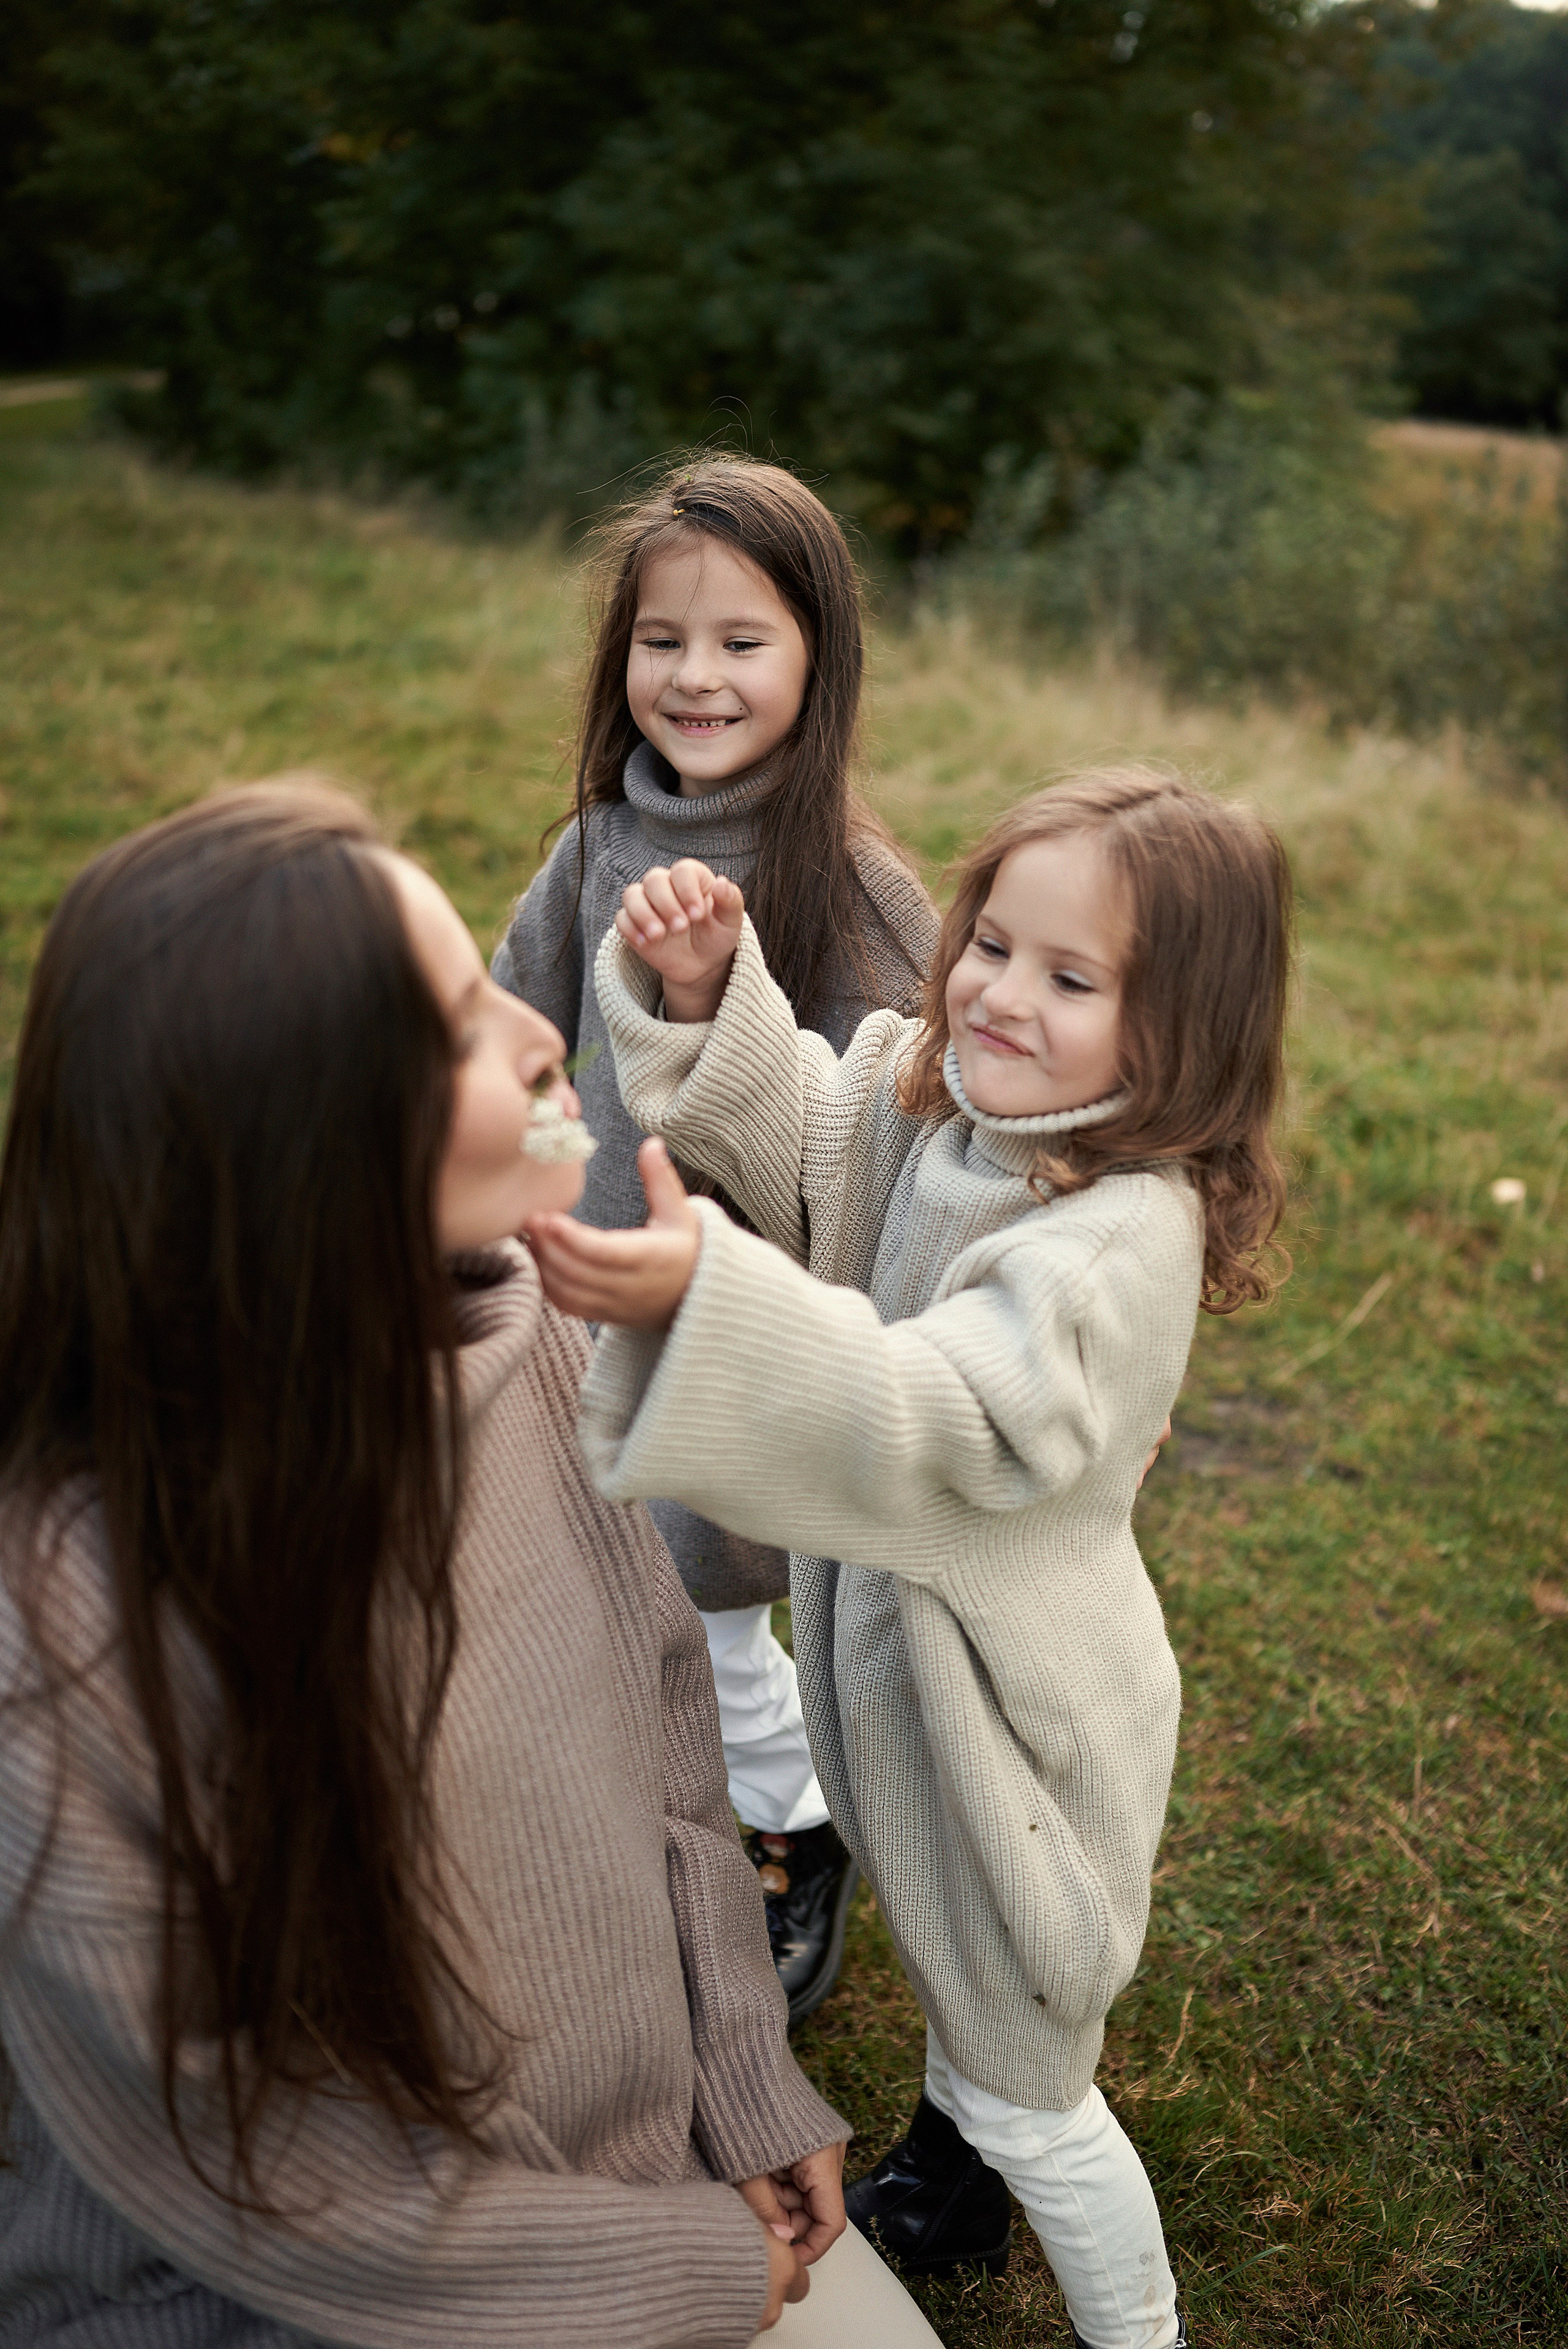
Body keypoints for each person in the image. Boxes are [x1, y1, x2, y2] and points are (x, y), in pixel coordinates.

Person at [0, 783, 946, 2349]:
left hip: (654, 2180)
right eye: (451, 1028)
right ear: (289, 1136)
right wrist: (678, 2268)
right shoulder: (59, 1633)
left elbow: (667, 1732)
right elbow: (261, 2182)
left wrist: (741, 2075)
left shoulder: (532, 1340)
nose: (532, 1033)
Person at [526, 767, 1295, 2349]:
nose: (1000, 995)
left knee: (1030, 2083)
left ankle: (1135, 2322)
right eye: (991, 943)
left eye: (1071, 979)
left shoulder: (1109, 1245)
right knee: (961, 1973)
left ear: (1182, 1033)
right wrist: (705, 993)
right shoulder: (955, 1103)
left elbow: (937, 1409)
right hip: (905, 1659)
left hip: (1010, 1718)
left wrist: (708, 1305)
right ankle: (949, 2191)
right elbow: (818, 1131)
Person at [492, 454, 939, 2021]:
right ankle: (639, 1806)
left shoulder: (848, 882)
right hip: (586, 1296)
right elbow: (513, 1023)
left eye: (741, 641)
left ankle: (793, 1826)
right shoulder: (597, 843)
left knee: (711, 1607)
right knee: (589, 1568)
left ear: (818, 659)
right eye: (661, 639)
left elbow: (904, 1120)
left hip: (744, 1329)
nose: (694, 676)